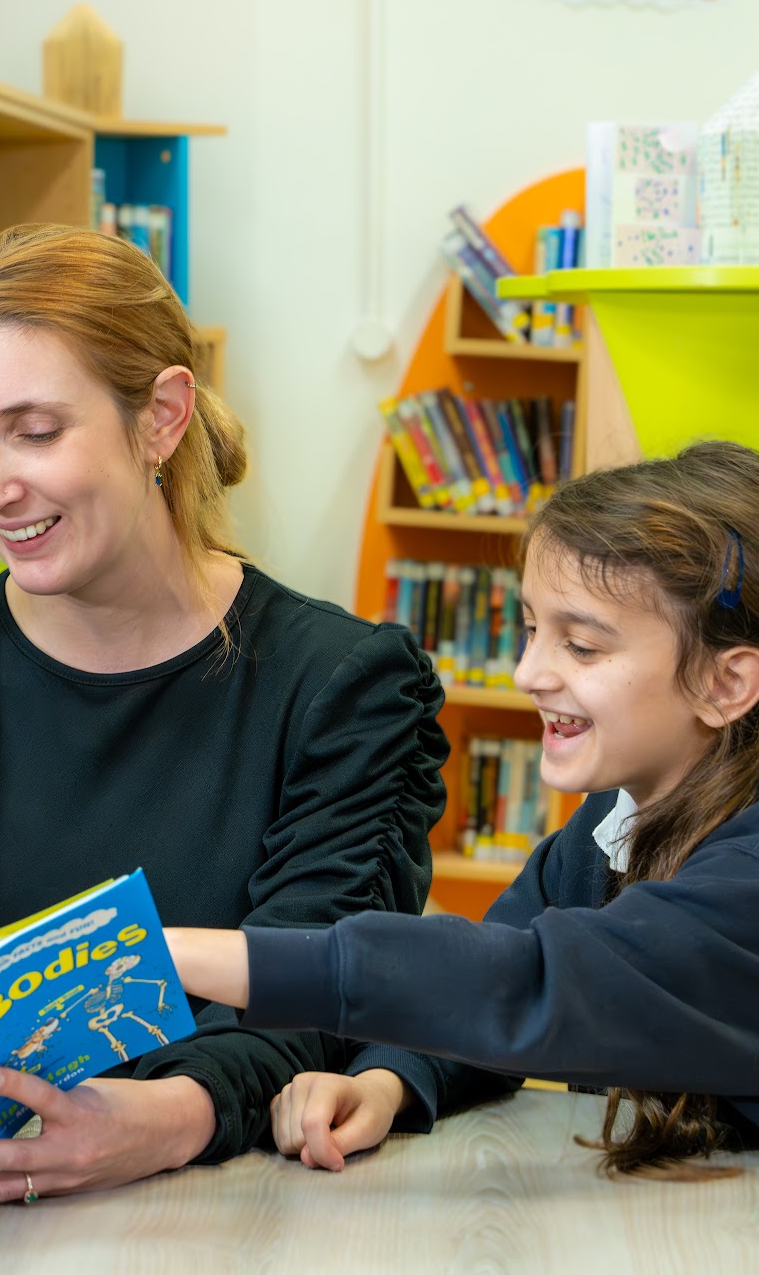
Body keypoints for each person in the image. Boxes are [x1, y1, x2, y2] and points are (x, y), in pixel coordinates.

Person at [0, 223, 450, 1202]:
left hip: (261, 1208)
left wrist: (171, 1116)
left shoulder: (342, 689)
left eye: (34, 431)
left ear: (161, 418)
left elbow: (319, 988)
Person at [166, 440, 759, 1179]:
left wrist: (186, 955)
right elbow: (486, 976)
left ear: (725, 683)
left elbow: (531, 984)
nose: (528, 673)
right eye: (532, 630)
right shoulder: (610, 824)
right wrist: (387, 1081)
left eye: (581, 646)